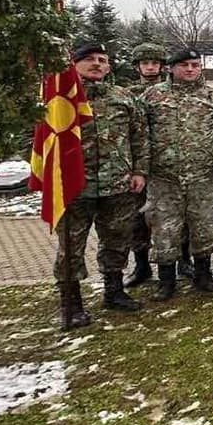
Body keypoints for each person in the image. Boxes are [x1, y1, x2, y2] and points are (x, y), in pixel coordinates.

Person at [54, 43, 149, 329]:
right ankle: (71, 304)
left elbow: (139, 137)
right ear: (74, 63)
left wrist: (140, 170)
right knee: (71, 246)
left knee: (117, 240)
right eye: (89, 59)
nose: (97, 64)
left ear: (108, 66)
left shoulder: (123, 97)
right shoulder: (58, 97)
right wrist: (47, 171)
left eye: (102, 60)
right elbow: (32, 137)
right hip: (73, 186)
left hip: (117, 184)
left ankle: (114, 291)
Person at [141, 47, 213, 300]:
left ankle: (203, 273)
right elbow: (140, 134)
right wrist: (141, 170)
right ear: (171, 68)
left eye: (195, 65)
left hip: (204, 178)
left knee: (204, 226)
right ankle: (166, 280)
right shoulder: (152, 96)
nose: (190, 69)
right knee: (165, 230)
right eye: (184, 65)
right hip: (164, 179)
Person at [122, 42, 168, 287]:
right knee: (136, 218)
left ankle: (181, 262)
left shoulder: (172, 90)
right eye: (145, 63)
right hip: (137, 165)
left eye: (155, 63)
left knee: (171, 217)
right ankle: (141, 265)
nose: (150, 67)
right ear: (137, 66)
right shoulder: (127, 94)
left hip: (165, 164)